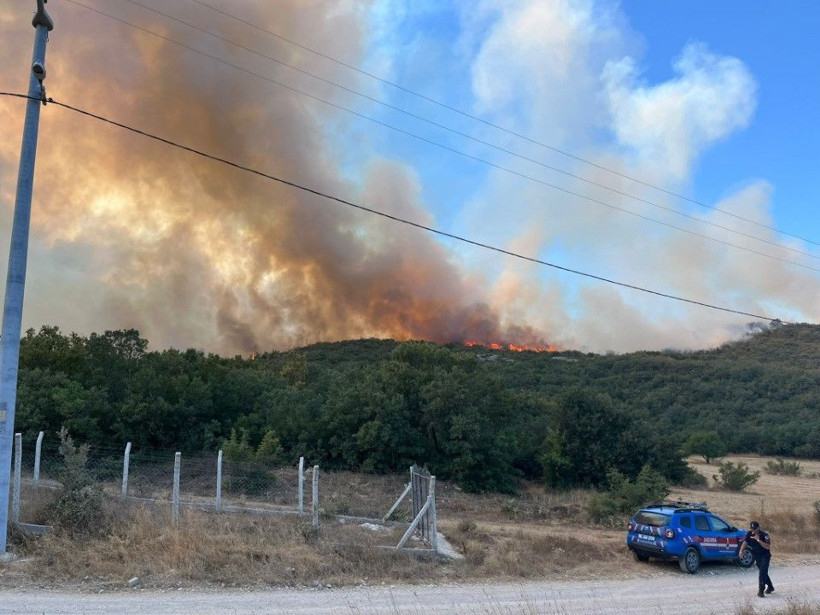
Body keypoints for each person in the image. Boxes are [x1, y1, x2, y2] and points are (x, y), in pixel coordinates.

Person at [739, 521, 774, 597]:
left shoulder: (764, 535)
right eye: (752, 529)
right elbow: (745, 542)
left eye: (755, 529)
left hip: (765, 556)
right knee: (763, 573)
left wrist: (758, 540)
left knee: (762, 573)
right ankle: (770, 587)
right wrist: (741, 551)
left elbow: (767, 546)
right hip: (757, 556)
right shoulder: (749, 534)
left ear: (758, 528)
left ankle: (761, 591)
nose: (753, 530)